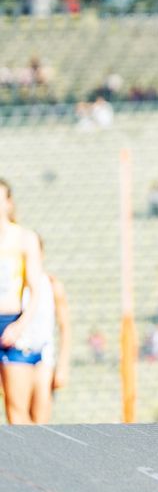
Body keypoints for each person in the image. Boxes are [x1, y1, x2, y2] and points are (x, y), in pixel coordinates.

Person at [0, 178, 54, 424]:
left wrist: (20, 326)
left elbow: (35, 290)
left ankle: (26, 462)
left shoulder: (24, 239)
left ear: (8, 203)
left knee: (16, 408)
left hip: (12, 324)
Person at [20, 266, 68, 424]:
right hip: (17, 357)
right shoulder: (13, 285)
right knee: (18, 418)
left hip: (44, 358)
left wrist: (62, 366)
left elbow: (65, 327)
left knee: (40, 421)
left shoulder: (51, 285)